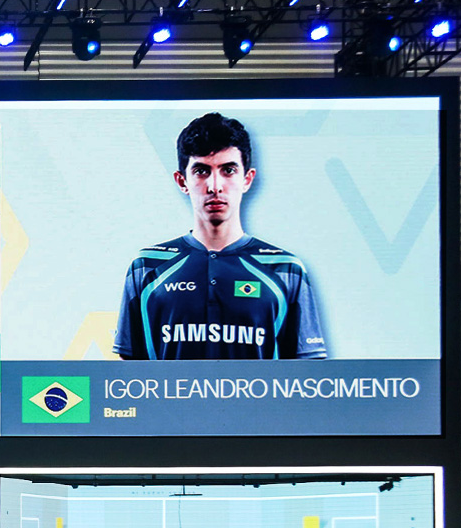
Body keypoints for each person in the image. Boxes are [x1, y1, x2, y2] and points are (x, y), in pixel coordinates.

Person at [114, 112, 326, 360]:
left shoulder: (285, 269)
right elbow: (127, 372)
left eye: (228, 170)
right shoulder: (147, 266)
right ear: (182, 181)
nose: (215, 186)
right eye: (201, 171)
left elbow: (307, 373)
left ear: (247, 179)